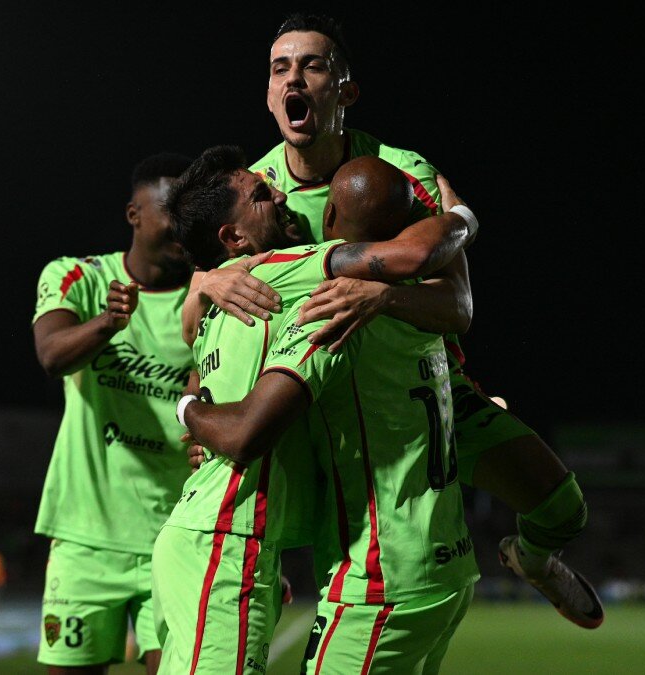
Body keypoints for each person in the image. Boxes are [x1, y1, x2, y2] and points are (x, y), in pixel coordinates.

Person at [193, 12, 603, 631]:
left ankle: (534, 559)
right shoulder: (256, 189)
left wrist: (381, 298)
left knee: (564, 509)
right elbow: (197, 310)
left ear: (345, 91)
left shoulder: (398, 172)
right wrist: (203, 281)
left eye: (312, 65)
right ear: (270, 96)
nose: (293, 79)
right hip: (318, 395)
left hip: (420, 385)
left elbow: (457, 307)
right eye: (280, 69)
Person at [151, 147, 477, 674]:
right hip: (227, 541)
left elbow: (195, 361)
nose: (282, 194)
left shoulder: (217, 302)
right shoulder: (292, 273)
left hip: (200, 535)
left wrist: (190, 397)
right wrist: (459, 216)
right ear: (234, 237)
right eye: (262, 194)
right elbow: (416, 256)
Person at [30, 152, 196, 675]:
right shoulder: (77, 276)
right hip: (85, 537)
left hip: (173, 537)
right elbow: (52, 356)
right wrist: (107, 323)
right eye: (171, 210)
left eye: (192, 212)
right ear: (134, 214)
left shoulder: (208, 299)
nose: (183, 225)